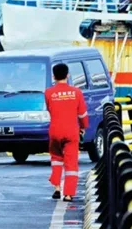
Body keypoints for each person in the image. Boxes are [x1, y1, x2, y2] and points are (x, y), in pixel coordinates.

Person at [44, 63, 89, 202]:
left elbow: (50, 109)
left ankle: (57, 188)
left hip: (55, 130)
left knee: (56, 159)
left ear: (53, 76)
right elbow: (82, 114)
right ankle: (68, 194)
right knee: (71, 164)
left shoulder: (48, 92)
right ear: (68, 75)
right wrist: (83, 127)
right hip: (71, 131)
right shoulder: (77, 92)